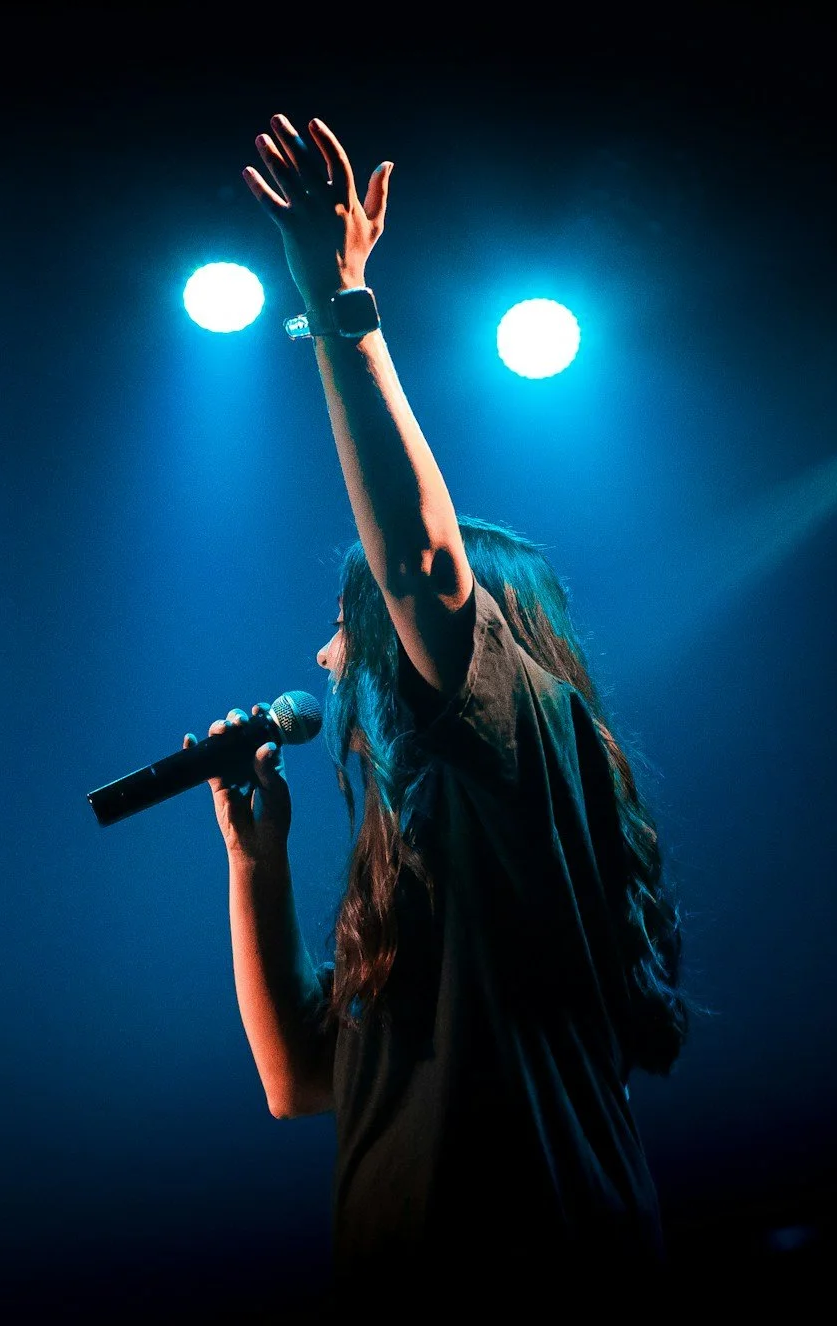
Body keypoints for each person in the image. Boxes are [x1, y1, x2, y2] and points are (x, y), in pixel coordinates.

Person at [186, 114, 687, 1294]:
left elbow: (417, 561)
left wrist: (337, 300)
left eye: (347, 629)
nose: (325, 655)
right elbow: (298, 1083)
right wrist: (255, 866)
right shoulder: (422, 844)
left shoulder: (517, 761)